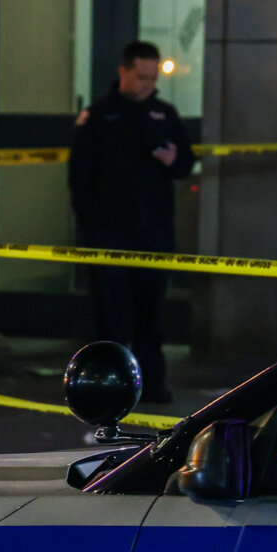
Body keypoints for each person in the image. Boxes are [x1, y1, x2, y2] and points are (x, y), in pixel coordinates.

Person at [68, 40, 195, 404]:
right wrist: (90, 225)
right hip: (108, 233)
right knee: (110, 320)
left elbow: (186, 163)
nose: (147, 84)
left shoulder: (164, 114)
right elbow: (79, 177)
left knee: (151, 317)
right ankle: (109, 391)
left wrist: (174, 160)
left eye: (153, 77)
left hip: (153, 233)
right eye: (141, 76)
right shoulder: (98, 117)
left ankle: (153, 388)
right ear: (123, 72)